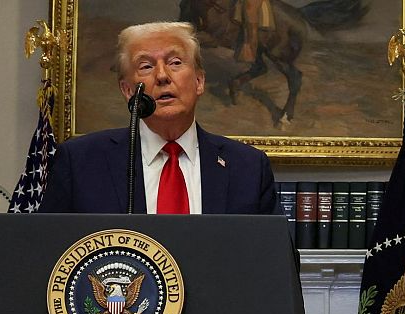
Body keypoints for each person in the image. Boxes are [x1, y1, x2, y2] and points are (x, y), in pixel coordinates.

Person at [38, 21, 275, 215]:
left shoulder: (249, 168)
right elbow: (48, 253)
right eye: (146, 66)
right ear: (128, 90)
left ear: (199, 82)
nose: (162, 76)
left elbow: (275, 259)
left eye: (175, 62)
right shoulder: (81, 162)